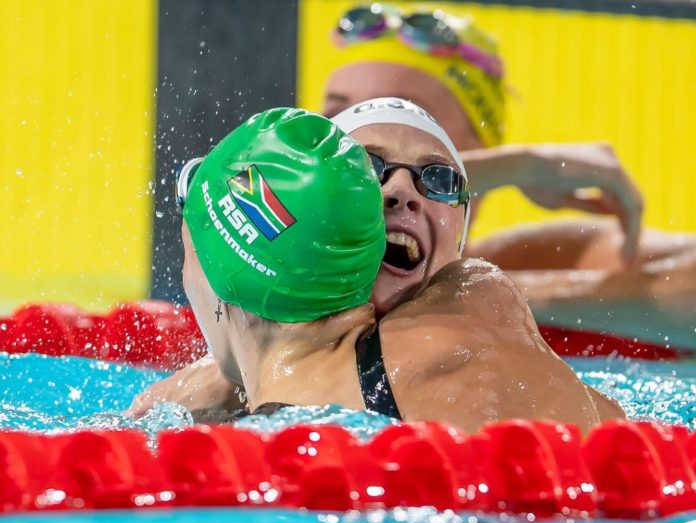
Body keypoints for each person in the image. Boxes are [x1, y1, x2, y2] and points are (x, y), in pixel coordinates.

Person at [129, 101, 623, 433]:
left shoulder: (474, 308)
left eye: (439, 179)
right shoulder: (201, 392)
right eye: (366, 168)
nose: (402, 191)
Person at [321, 4, 696, 348]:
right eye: (341, 117)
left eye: (412, 118)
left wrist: (483, 296)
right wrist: (518, 166)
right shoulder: (278, 270)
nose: (363, 145)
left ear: (478, 143)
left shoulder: (525, 267)